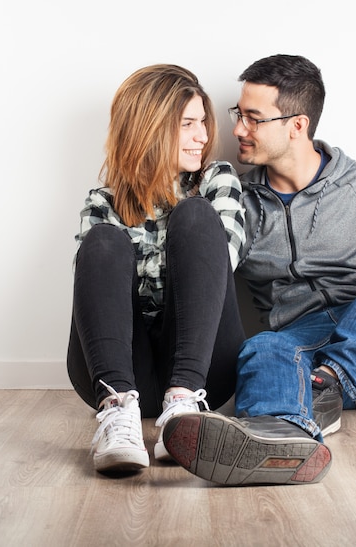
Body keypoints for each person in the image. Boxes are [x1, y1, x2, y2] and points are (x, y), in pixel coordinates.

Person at [162, 54, 356, 486]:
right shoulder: (237, 199)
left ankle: (335, 379)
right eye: (240, 114)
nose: (237, 129)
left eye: (253, 118)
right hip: (297, 357)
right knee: (262, 348)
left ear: (297, 125)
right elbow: (198, 264)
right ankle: (280, 438)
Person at [66, 64, 246, 474]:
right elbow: (93, 293)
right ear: (151, 128)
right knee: (101, 242)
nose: (203, 136)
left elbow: (223, 262)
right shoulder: (103, 202)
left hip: (201, 370)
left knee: (197, 216)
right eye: (188, 124)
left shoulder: (217, 179)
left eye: (203, 122)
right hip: (121, 371)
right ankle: (116, 411)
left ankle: (183, 408)